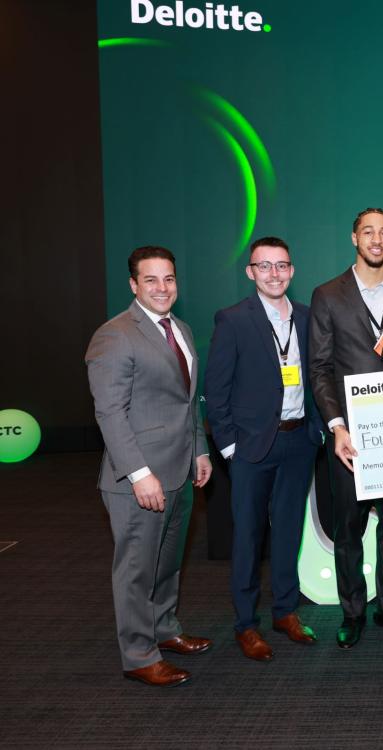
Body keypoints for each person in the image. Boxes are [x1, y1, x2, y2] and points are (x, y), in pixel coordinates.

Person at [85, 246, 212, 687]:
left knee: (166, 563)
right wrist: (139, 474)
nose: (163, 288)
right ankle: (139, 655)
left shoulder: (181, 329)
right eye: (152, 280)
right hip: (138, 480)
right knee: (136, 569)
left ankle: (164, 629)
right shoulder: (115, 335)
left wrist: (200, 449)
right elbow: (110, 413)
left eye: (169, 279)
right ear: (133, 285)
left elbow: (188, 401)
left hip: (180, 470)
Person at [204, 236, 324, 661]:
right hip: (252, 447)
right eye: (264, 266)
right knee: (249, 536)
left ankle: (285, 611)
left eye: (281, 265)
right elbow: (215, 391)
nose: (274, 273)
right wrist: (231, 448)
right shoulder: (233, 319)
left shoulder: (309, 318)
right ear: (250, 272)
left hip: (299, 441)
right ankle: (246, 624)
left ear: (292, 271)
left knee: (290, 529)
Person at [308, 208, 383, 648]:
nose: (376, 240)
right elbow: (319, 367)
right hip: (348, 438)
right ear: (354, 237)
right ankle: (353, 610)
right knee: (349, 528)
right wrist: (336, 426)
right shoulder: (327, 295)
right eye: (368, 232)